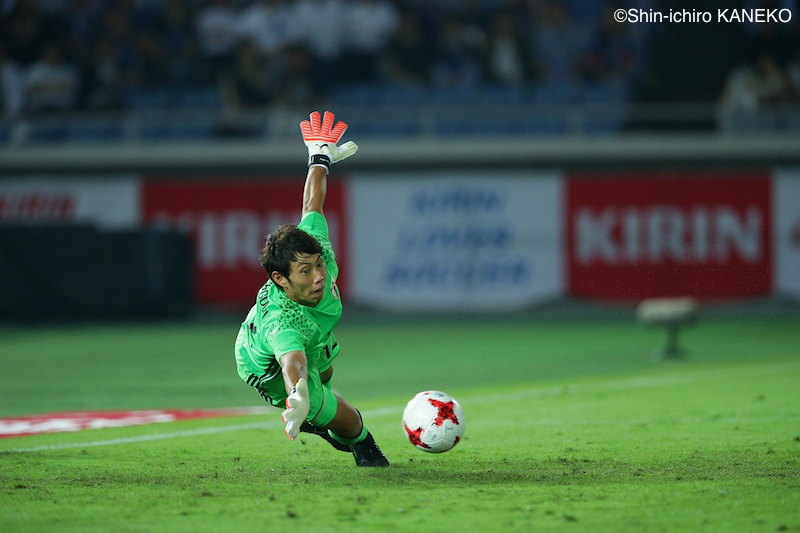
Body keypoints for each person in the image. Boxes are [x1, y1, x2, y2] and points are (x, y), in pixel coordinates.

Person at [234, 111, 390, 467]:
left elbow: (312, 204)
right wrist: (298, 394)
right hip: (268, 369)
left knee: (329, 373)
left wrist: (319, 158)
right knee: (349, 422)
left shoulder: (315, 248)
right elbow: (293, 363)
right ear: (280, 279)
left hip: (314, 336)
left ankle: (319, 412)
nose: (319, 275)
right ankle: (360, 446)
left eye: (319, 265)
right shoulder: (283, 323)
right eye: (306, 271)